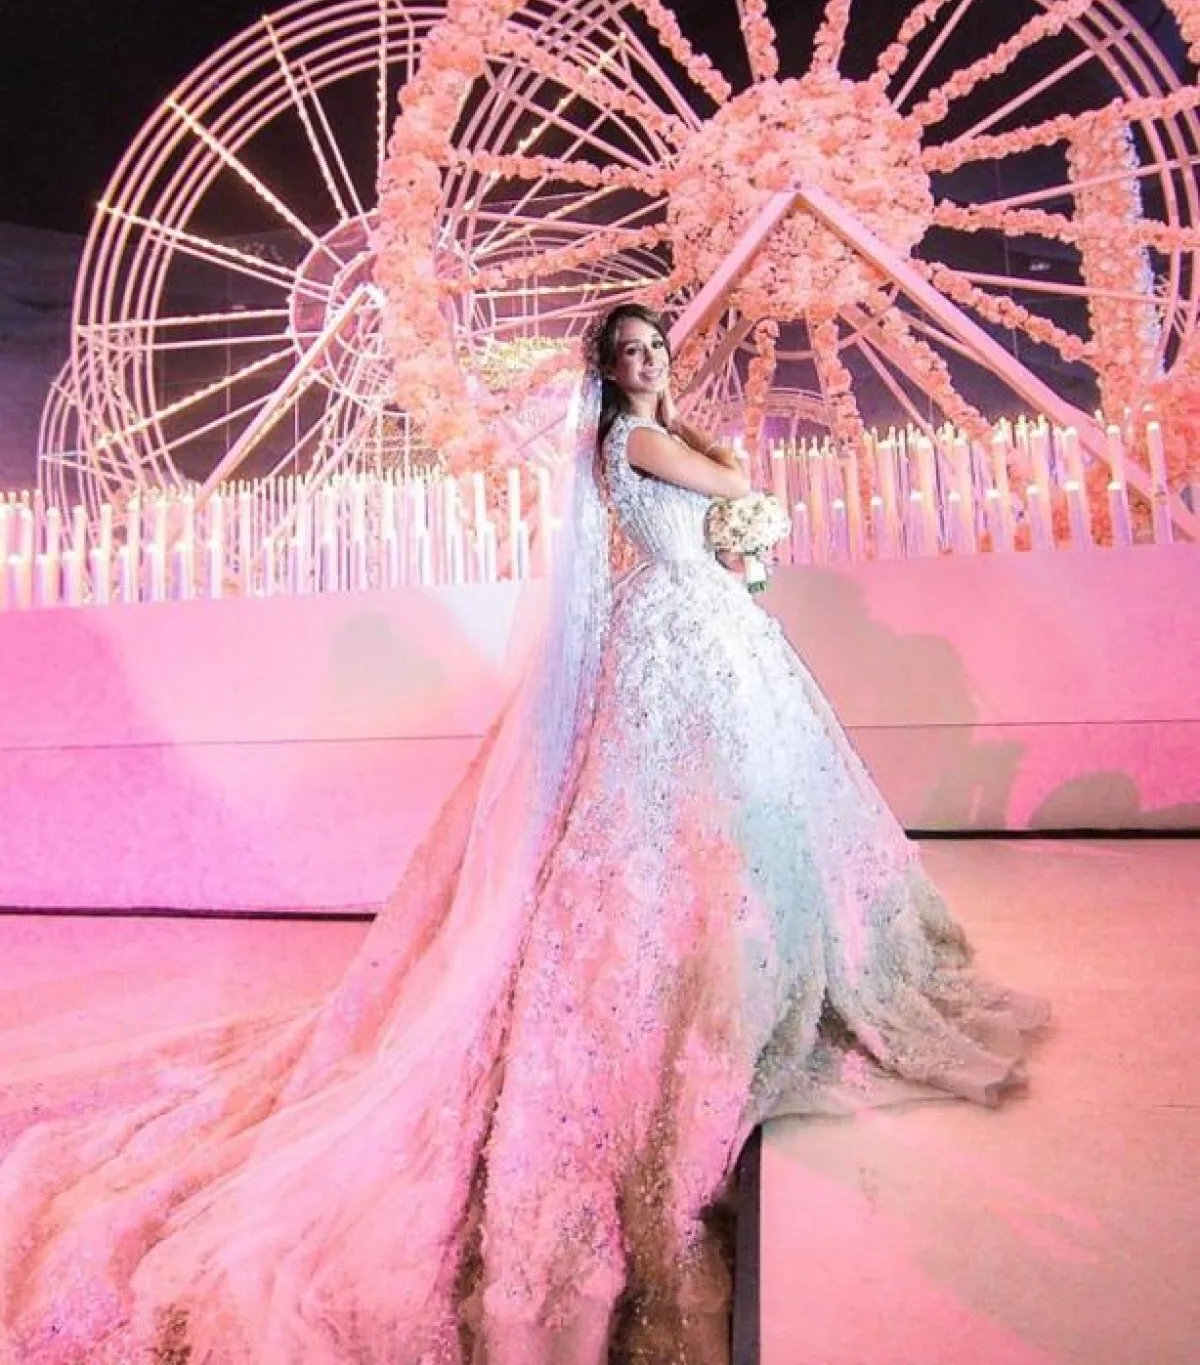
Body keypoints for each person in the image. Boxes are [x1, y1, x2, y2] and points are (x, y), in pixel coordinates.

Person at [0, 302, 1046, 1365]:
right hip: (674, 628)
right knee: (672, 816)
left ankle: (748, 948)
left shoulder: (657, 437)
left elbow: (721, 506)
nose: (645, 359)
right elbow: (730, 485)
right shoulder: (636, 441)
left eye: (655, 347)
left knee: (729, 808)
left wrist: (736, 533)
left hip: (702, 624)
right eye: (629, 351)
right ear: (609, 370)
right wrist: (738, 496)